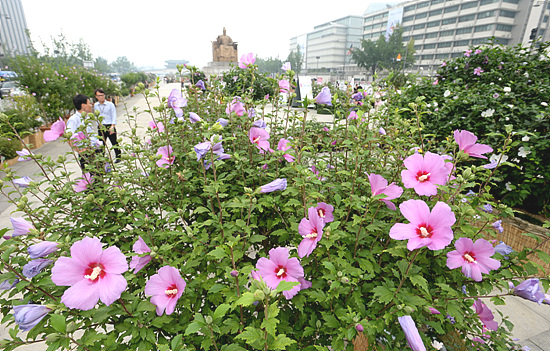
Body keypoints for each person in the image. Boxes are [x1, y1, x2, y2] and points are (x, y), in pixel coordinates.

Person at [66, 94, 100, 172]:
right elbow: (68, 137)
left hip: (94, 151)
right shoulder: (74, 120)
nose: (91, 105)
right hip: (86, 154)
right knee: (90, 178)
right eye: (89, 103)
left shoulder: (87, 117)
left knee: (99, 176)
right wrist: (79, 150)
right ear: (83, 105)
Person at [94, 88, 121, 162]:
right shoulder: (96, 105)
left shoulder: (110, 104)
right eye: (99, 96)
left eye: (102, 95)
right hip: (101, 126)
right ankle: (101, 158)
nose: (101, 97)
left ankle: (118, 156)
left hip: (109, 125)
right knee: (101, 143)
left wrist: (112, 126)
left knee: (114, 142)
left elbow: (113, 115)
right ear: (96, 96)